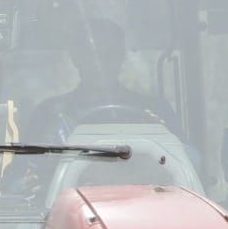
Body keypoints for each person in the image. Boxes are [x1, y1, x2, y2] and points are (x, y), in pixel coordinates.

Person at [24, 18, 179, 142]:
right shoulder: (49, 114)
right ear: (75, 57)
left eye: (110, 55)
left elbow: (189, 164)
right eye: (93, 54)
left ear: (121, 57)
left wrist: (160, 135)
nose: (101, 64)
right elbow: (20, 174)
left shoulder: (155, 111)